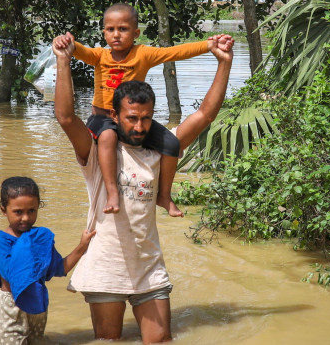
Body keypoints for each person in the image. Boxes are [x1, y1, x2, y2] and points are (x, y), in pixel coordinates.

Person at [53, 31, 234, 344]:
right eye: (132, 118)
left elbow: (204, 115)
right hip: (106, 264)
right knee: (109, 340)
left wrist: (224, 65)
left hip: (148, 266)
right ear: (114, 115)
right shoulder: (96, 151)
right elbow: (67, 118)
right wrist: (64, 63)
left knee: (161, 339)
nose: (139, 127)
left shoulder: (158, 150)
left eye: (146, 119)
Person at [54, 3, 210, 217]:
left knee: (172, 143)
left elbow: (174, 52)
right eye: (110, 29)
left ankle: (164, 195)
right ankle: (112, 193)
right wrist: (66, 42)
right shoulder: (99, 56)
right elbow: (78, 50)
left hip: (132, 118)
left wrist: (209, 45)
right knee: (107, 137)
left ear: (136, 33)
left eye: (123, 29)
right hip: (103, 118)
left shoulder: (143, 54)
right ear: (104, 32)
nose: (116, 35)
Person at [0, 176, 96, 344]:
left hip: (37, 301)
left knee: (36, 341)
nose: (26, 218)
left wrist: (82, 246)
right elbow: (10, 273)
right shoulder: (2, 240)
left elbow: (60, 269)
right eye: (18, 212)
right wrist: (29, 246)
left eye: (32, 211)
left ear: (38, 208)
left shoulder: (40, 239)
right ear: (3, 210)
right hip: (12, 304)